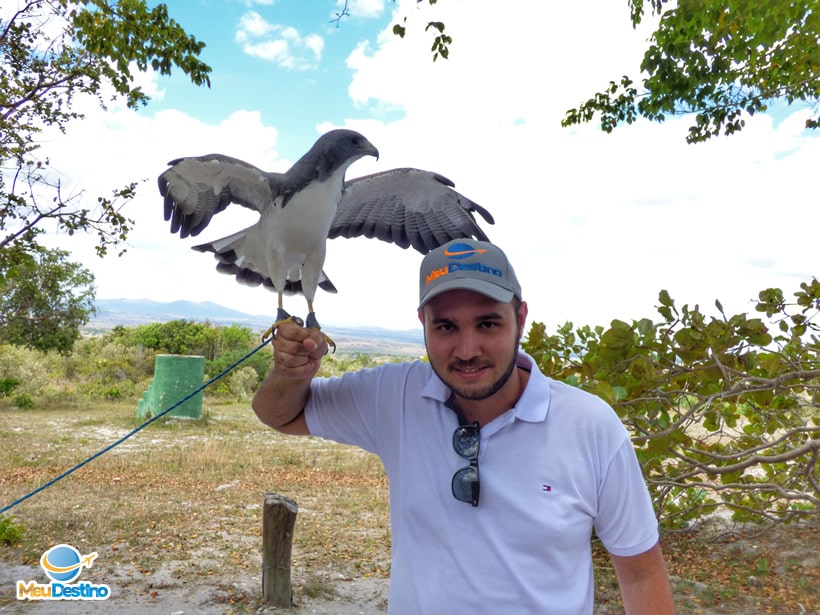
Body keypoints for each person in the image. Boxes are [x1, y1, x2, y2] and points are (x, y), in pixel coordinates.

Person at [252, 239, 676, 614]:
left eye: (488, 323)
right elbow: (280, 414)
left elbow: (640, 574)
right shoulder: (395, 396)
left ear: (520, 318)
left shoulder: (591, 427)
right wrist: (291, 374)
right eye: (446, 327)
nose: (467, 350)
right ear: (423, 323)